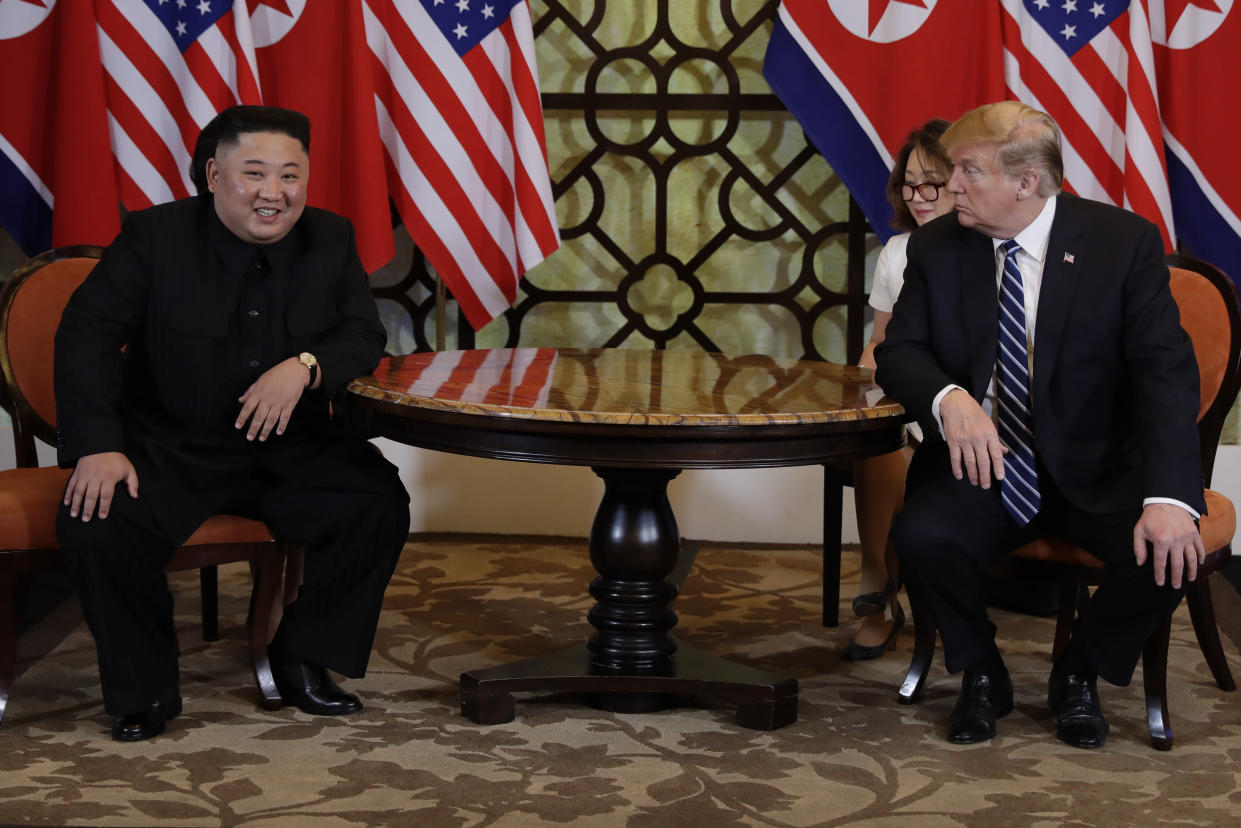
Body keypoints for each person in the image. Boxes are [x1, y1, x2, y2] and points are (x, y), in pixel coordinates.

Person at [54, 105, 411, 742]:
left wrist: (303, 366)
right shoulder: (153, 237)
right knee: (98, 519)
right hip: (170, 444)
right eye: (255, 173)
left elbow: (362, 334)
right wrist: (99, 446)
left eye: (290, 176)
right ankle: (145, 690)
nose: (273, 193)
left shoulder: (330, 237)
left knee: (376, 501)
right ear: (214, 174)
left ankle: (301, 656)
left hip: (288, 449)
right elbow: (86, 338)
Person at [875, 101, 1204, 748]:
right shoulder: (940, 245)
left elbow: (1163, 373)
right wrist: (949, 398)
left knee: (1169, 554)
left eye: (967, 171)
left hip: (1097, 464)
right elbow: (899, 352)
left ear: (1026, 182)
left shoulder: (1120, 242)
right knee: (921, 536)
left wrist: (1168, 497)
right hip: (986, 462)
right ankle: (981, 672)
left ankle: (1079, 673)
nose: (950, 187)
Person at [844, 119, 954, 661]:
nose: (919, 197)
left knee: (899, 440)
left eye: (933, 182)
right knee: (878, 436)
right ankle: (877, 579)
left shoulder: (994, 247)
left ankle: (884, 584)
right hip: (909, 394)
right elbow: (878, 346)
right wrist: (857, 394)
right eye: (910, 183)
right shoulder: (897, 252)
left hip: (972, 402)